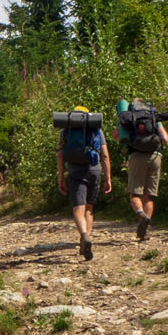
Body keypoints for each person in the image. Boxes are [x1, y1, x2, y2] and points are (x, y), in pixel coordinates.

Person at [55, 105, 111, 260]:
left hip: (75, 171)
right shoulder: (96, 129)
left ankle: (84, 235)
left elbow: (60, 155)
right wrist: (108, 178)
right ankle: (86, 240)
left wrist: (60, 178)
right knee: (89, 208)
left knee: (78, 207)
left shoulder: (66, 130)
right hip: (94, 170)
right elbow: (105, 155)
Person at [121, 102, 168, 242]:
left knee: (135, 193)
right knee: (149, 195)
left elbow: (118, 136)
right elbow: (166, 139)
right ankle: (145, 229)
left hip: (136, 156)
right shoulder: (154, 118)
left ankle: (140, 214)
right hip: (156, 156)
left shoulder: (130, 118)